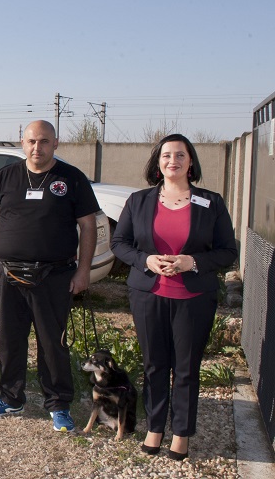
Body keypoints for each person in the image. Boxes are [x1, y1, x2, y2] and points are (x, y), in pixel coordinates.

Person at [110, 134, 236, 460]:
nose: (173, 161)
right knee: (154, 366)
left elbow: (227, 252)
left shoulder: (211, 202)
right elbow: (120, 243)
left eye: (180, 155)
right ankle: (155, 427)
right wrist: (147, 260)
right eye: (167, 155)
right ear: (157, 162)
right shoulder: (138, 201)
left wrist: (192, 262)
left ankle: (181, 433)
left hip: (193, 298)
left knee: (186, 369)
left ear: (191, 162)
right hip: (148, 294)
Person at [0, 120, 100, 432]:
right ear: (22, 143)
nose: (37, 147)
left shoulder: (71, 178)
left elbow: (88, 226)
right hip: (9, 275)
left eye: (44, 141)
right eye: (31, 141)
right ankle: (10, 398)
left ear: (56, 143)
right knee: (9, 340)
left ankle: (58, 405)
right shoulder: (6, 176)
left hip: (54, 277)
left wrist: (83, 270)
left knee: (52, 344)